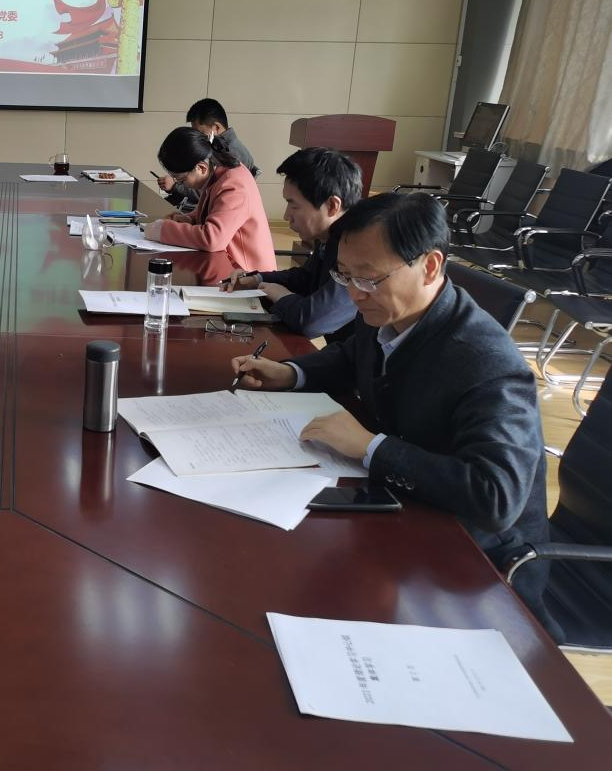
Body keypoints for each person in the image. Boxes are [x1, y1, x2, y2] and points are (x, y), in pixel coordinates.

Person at [229, 193, 554, 630]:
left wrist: (372, 448)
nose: (353, 294)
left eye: (368, 278)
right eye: (344, 275)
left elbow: (496, 498)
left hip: (477, 568)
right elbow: (352, 357)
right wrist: (290, 373)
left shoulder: (488, 364)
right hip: (405, 513)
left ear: (430, 267)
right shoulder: (388, 312)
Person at [222, 147, 361, 340]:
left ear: (332, 206)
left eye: (294, 205)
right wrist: (257, 279)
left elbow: (313, 321)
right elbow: (306, 278)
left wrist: (282, 296)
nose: (287, 216)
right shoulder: (331, 237)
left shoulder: (359, 251)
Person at [144, 126, 276, 272]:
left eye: (181, 180)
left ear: (201, 168)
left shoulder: (234, 184)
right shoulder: (216, 171)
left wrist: (162, 230)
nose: (181, 184)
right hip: (228, 265)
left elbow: (212, 238)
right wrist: (189, 219)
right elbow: (211, 211)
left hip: (249, 275)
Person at [156, 98, 256, 208]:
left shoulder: (234, 155)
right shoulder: (219, 148)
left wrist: (175, 186)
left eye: (200, 133)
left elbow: (205, 190)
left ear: (216, 127)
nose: (197, 138)